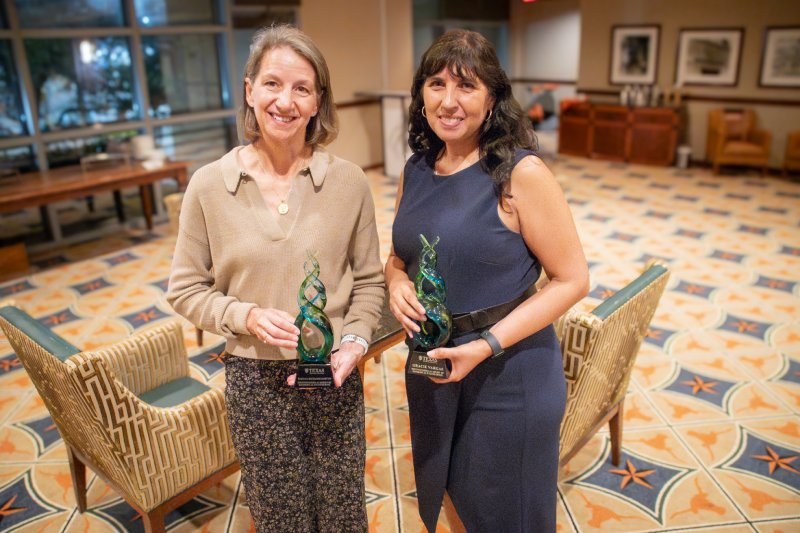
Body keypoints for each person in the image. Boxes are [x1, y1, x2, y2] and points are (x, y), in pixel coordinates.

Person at [167, 25, 384, 532]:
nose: (284, 101)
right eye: (271, 84)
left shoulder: (348, 183)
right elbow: (185, 288)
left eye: (301, 89)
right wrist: (243, 315)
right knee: (280, 517)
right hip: (254, 382)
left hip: (334, 372)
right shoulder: (209, 186)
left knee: (342, 514)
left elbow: (371, 283)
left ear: (317, 103)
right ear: (249, 90)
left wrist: (353, 343)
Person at [385, 29, 589, 532]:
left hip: (508, 373)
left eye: (466, 87)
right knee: (451, 488)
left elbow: (572, 280)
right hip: (433, 365)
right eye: (436, 84)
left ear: (492, 97)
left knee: (507, 511)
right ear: (421, 94)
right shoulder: (416, 169)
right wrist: (394, 282)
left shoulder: (520, 173)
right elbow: (397, 255)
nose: (448, 101)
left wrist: (487, 344)